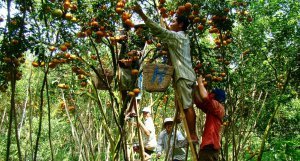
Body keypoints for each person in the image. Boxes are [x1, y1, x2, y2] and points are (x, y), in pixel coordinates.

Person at [133, 4, 198, 143]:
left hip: (183, 75)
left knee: (187, 106)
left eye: (174, 22)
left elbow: (159, 31)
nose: (171, 24)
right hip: (188, 76)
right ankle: (180, 118)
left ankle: (192, 135)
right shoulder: (183, 37)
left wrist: (142, 14)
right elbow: (168, 32)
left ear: (180, 25)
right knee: (184, 104)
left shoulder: (177, 37)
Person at [194, 75, 226, 161]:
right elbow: (199, 103)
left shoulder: (218, 107)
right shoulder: (212, 110)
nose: (210, 94)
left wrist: (200, 83)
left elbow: (205, 97)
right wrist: (195, 87)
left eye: (212, 94)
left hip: (210, 146)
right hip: (209, 147)